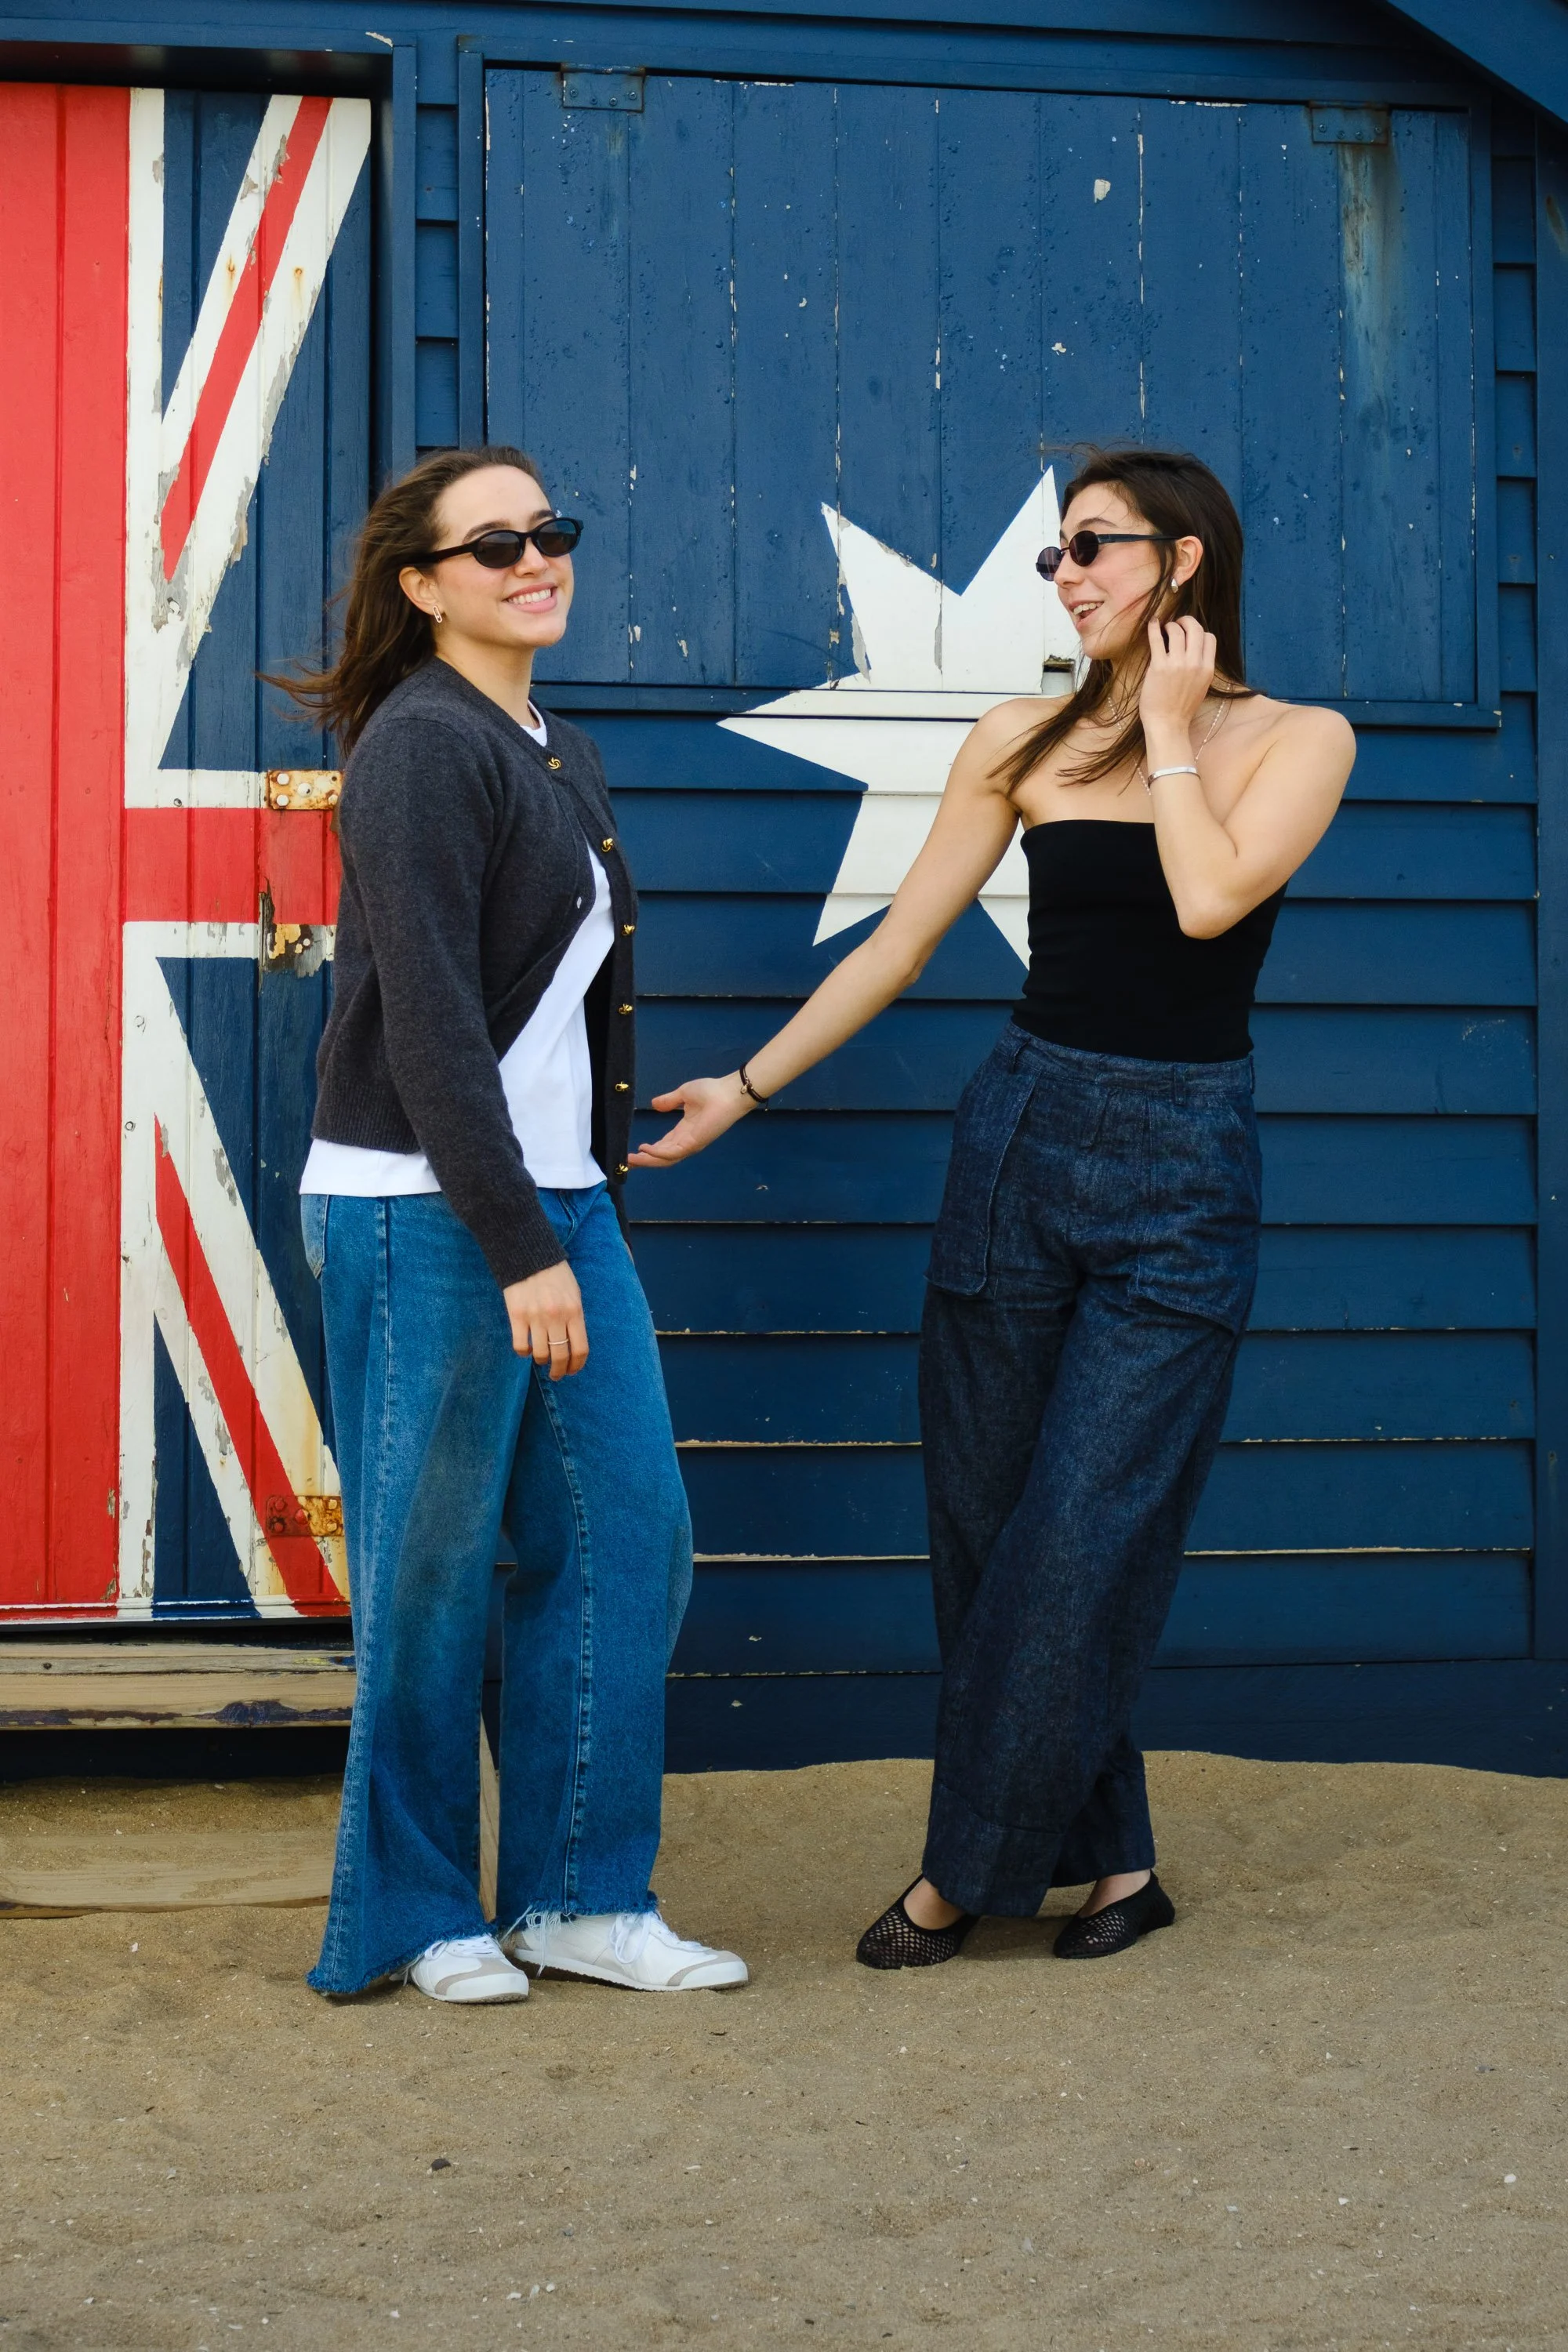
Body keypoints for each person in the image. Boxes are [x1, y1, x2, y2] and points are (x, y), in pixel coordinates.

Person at [630, 447, 1354, 1965]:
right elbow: (895, 949)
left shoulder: (1300, 739)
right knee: (982, 1523)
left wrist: (1162, 735)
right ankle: (1117, 1870)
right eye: (1053, 558)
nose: (1065, 575)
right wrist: (744, 1087)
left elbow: (1213, 900)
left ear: (1183, 567)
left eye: (1090, 549)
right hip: (1020, 1134)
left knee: (1083, 1534)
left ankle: (957, 1878)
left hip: (1181, 1162)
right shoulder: (1016, 741)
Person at [284, 444, 746, 2002]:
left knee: (626, 1538)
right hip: (429, 1212)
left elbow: (553, 1008)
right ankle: (418, 1912)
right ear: (421, 587)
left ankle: (575, 1894)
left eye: (549, 533)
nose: (535, 561)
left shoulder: (555, 743)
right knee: (429, 1566)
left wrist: (585, 1171)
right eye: (494, 548)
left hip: (556, 1199)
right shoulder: (422, 746)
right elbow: (425, 1023)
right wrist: (520, 1239)